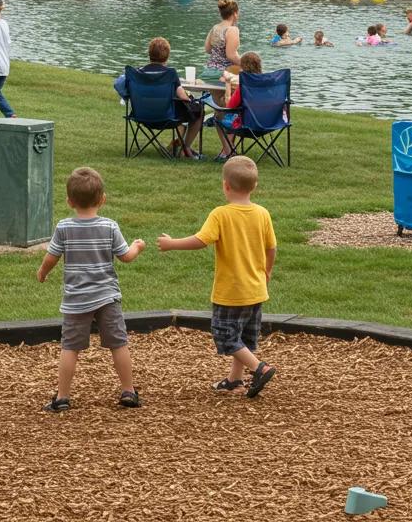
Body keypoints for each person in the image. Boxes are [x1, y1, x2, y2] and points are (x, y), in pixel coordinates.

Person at [158, 157, 277, 397]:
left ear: (226, 185)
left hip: (231, 291)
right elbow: (271, 247)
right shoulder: (262, 213)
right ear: (254, 186)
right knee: (244, 337)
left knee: (225, 334)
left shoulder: (221, 214)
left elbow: (201, 240)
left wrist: (172, 244)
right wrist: (267, 271)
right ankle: (234, 380)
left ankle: (259, 368)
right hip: (256, 289)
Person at [37, 167, 145, 411]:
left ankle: (62, 397)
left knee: (70, 347)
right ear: (102, 199)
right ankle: (128, 391)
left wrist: (42, 272)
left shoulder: (64, 227)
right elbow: (126, 257)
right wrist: (137, 247)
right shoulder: (109, 226)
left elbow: (51, 257)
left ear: (69, 201)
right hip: (107, 297)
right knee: (119, 343)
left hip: (76, 300)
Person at [141, 37, 204, 159]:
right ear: (167, 56)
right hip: (166, 117)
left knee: (181, 109)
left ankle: (178, 144)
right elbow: (183, 97)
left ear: (149, 54)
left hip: (142, 115)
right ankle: (185, 147)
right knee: (198, 111)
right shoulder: (170, 74)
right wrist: (190, 99)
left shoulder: (139, 73)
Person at [210, 51, 264, 160]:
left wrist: (228, 83)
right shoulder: (266, 82)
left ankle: (228, 151)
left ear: (243, 67)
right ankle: (230, 148)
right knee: (235, 116)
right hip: (267, 122)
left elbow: (229, 106)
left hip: (248, 124)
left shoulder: (244, 85)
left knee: (219, 116)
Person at [205, 0, 241, 73]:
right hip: (225, 72)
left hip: (209, 69)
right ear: (235, 14)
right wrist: (246, 65)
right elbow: (231, 56)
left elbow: (208, 49)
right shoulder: (232, 30)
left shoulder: (215, 28)